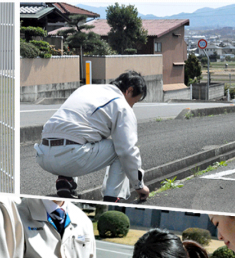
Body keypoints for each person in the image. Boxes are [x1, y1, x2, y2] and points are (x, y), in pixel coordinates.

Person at [34, 71, 150, 203]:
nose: (131, 106)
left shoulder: (85, 89)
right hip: (70, 157)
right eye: (133, 102)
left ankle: (66, 180)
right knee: (120, 150)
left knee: (80, 132)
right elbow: (127, 150)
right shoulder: (121, 104)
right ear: (129, 91)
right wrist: (139, 185)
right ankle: (112, 197)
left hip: (42, 154)